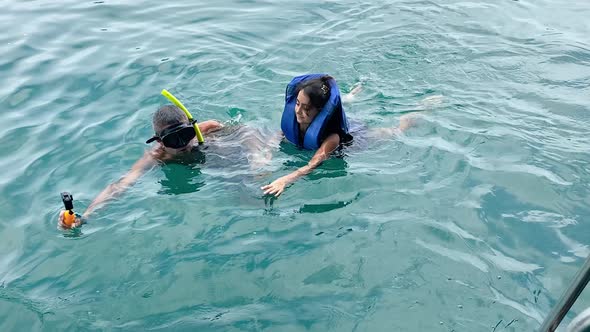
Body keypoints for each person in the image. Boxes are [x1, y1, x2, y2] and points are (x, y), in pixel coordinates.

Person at [58, 105, 223, 228]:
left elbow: (245, 134)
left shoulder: (208, 129)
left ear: (192, 129)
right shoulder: (156, 157)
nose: (182, 144)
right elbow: (119, 186)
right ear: (159, 141)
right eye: (173, 140)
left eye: (186, 135)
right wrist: (86, 216)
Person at [261, 73, 417, 197]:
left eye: (306, 108)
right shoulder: (297, 117)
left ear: (320, 111)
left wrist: (285, 180)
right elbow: (281, 132)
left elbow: (313, 163)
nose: (298, 111)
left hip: (356, 138)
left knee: (393, 132)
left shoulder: (332, 138)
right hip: (332, 125)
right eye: (297, 103)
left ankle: (413, 116)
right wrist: (266, 152)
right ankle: (349, 97)